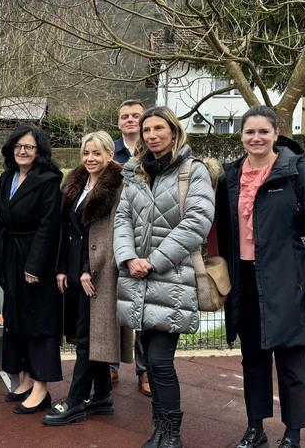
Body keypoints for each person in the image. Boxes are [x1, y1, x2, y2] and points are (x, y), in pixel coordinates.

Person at [215, 106, 305, 448]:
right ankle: (255, 429)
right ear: (241, 136)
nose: (256, 138)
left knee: (292, 361)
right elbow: (221, 231)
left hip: (288, 279)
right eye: (249, 132)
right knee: (253, 359)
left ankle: (292, 435)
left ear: (276, 134)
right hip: (244, 280)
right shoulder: (229, 178)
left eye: (263, 132)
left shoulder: (297, 172)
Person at [113, 106, 214, 448]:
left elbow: (197, 222)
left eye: (159, 128)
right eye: (147, 130)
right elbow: (122, 218)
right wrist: (128, 257)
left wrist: (153, 261)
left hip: (172, 277)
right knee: (152, 361)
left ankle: (171, 433)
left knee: (158, 360)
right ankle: (159, 429)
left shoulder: (192, 170)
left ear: (173, 131)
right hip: (137, 278)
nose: (152, 135)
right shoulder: (135, 171)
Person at [42, 130, 134, 426]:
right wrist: (62, 268)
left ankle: (75, 400)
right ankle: (103, 396)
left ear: (110, 154)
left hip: (99, 271)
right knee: (90, 334)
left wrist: (86, 268)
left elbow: (113, 232)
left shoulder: (119, 185)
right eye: (86, 153)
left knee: (88, 337)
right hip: (74, 270)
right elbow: (68, 230)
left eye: (97, 153)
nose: (90, 158)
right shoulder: (77, 182)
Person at [0, 125, 63, 415]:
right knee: (16, 317)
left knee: (38, 319)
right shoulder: (8, 176)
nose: (22, 151)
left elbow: (49, 225)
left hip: (35, 258)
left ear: (39, 151)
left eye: (29, 147)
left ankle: (41, 387)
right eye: (18, 146)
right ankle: (25, 378)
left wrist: (34, 265)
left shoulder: (48, 181)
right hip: (10, 254)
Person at [111, 99, 152, 397]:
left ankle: (145, 369)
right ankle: (110, 363)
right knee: (113, 303)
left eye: (136, 115)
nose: (130, 120)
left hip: (148, 235)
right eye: (125, 116)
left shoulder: (154, 151)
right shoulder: (109, 150)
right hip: (114, 234)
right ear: (119, 122)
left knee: (146, 308)